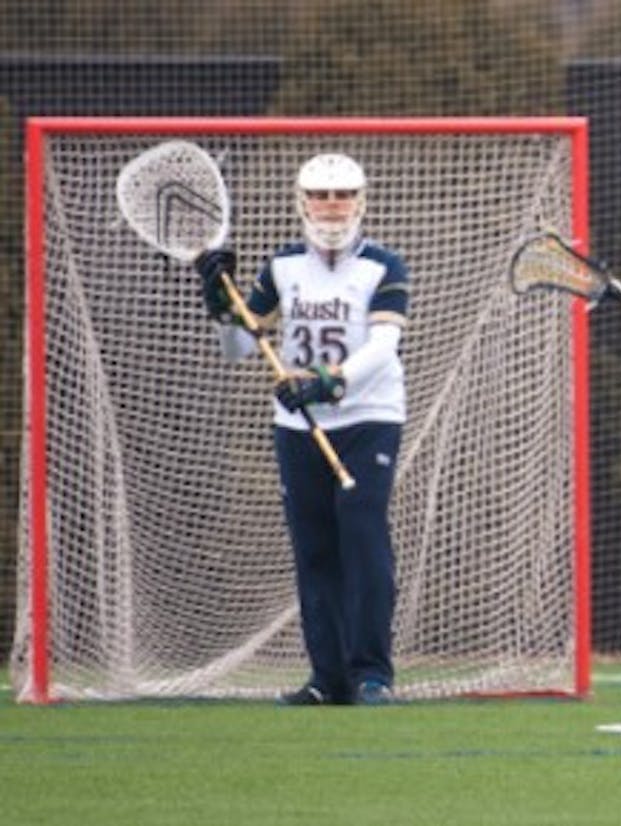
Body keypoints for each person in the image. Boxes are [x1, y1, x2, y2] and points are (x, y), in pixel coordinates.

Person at [192, 153, 409, 707]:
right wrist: (221, 305)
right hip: (296, 423)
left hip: (368, 419)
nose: (331, 206)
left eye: (342, 195)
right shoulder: (281, 267)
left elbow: (384, 348)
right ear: (302, 200)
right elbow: (240, 348)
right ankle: (327, 679)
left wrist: (327, 381)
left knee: (362, 536)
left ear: (360, 201)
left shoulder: (384, 265)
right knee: (314, 549)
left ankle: (372, 675)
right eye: (320, 195)